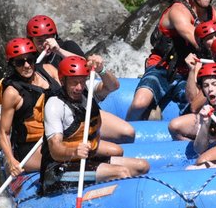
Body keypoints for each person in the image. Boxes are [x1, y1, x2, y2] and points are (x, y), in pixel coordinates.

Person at [0, 15, 136, 144]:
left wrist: (58, 50)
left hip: (78, 95)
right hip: (53, 109)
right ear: (30, 41)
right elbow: (21, 97)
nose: (44, 44)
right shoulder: (26, 62)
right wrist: (2, 118)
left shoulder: (66, 46)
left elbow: (85, 65)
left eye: (47, 39)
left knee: (127, 131)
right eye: (39, 41)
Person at [126, 0, 216, 120]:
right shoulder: (178, 11)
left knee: (198, 109)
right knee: (140, 103)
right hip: (162, 68)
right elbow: (197, 39)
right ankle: (127, 129)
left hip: (190, 74)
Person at [39, 56, 150, 194]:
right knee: (122, 172)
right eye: (74, 83)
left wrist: (101, 70)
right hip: (59, 169)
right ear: (62, 81)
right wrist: (74, 151)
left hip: (84, 159)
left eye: (82, 81)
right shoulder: (55, 105)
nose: (79, 87)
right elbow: (55, 150)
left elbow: (113, 86)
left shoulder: (86, 92)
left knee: (142, 166)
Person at [0, 38, 61, 177]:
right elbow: (4, 132)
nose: (26, 65)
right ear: (12, 64)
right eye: (20, 62)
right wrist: (11, 160)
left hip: (57, 135)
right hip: (30, 148)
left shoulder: (48, 70)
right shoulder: (12, 92)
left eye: (30, 60)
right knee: (68, 157)